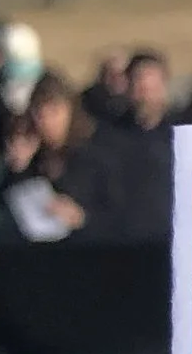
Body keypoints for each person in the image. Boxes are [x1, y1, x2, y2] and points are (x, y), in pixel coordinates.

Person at [64, 49, 175, 240]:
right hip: (120, 242)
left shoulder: (181, 135)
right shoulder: (107, 137)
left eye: (151, 84)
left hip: (168, 239)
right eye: (138, 82)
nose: (144, 90)